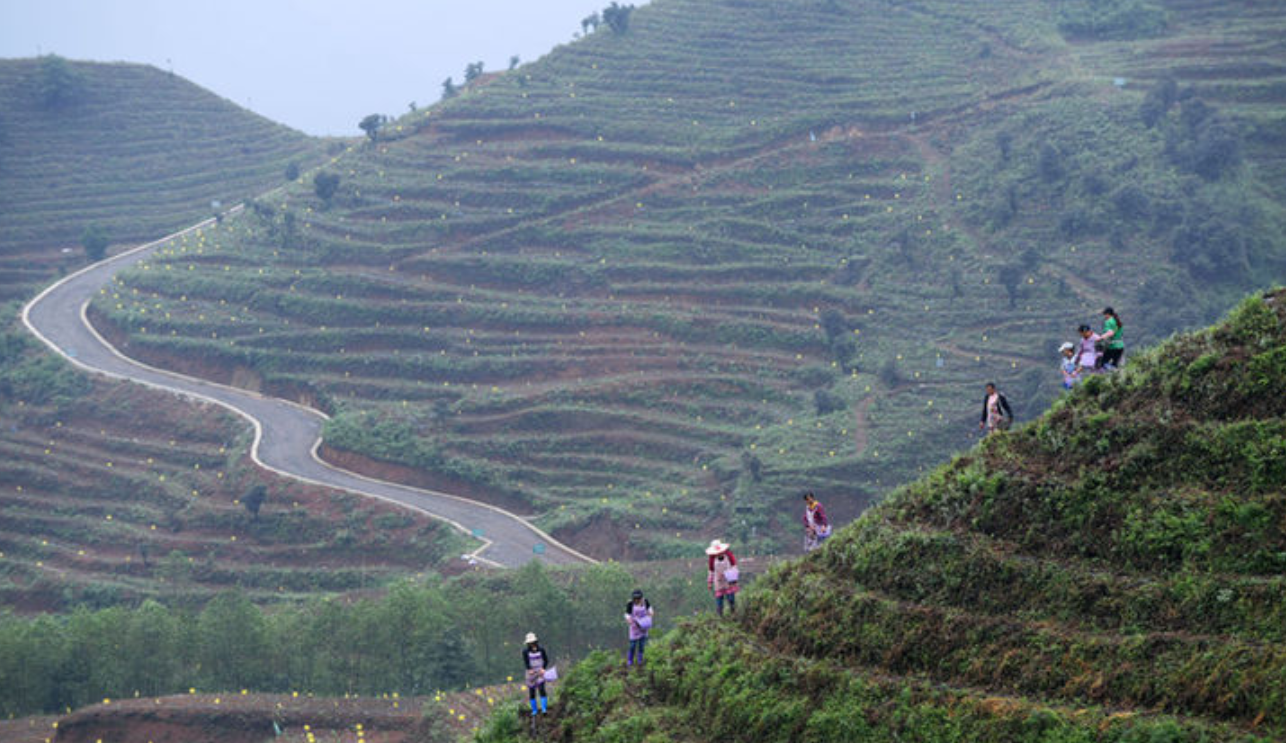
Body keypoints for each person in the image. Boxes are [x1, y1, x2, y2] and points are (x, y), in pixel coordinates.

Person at [705, 539, 739, 617]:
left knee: (731, 599)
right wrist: (710, 582)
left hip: (729, 580)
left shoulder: (728, 555)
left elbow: (734, 566)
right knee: (719, 601)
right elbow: (711, 571)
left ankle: (733, 614)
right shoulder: (712, 559)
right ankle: (720, 617)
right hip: (718, 581)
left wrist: (734, 578)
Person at [522, 632, 551, 716]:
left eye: (532, 642)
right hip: (531, 673)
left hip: (540, 671)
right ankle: (534, 710)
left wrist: (543, 668)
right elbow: (526, 662)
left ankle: (544, 709)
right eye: (529, 643)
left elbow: (546, 660)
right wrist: (529, 669)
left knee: (541, 689)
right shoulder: (525, 652)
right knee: (532, 691)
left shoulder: (541, 649)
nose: (531, 644)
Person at [624, 589, 654, 667]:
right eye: (635, 599)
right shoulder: (630, 604)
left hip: (643, 626)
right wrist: (628, 619)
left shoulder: (645, 602)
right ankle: (630, 660)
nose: (637, 600)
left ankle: (640, 660)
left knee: (641, 644)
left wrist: (650, 614)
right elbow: (627, 614)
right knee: (632, 645)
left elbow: (650, 610)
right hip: (634, 626)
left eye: (638, 598)